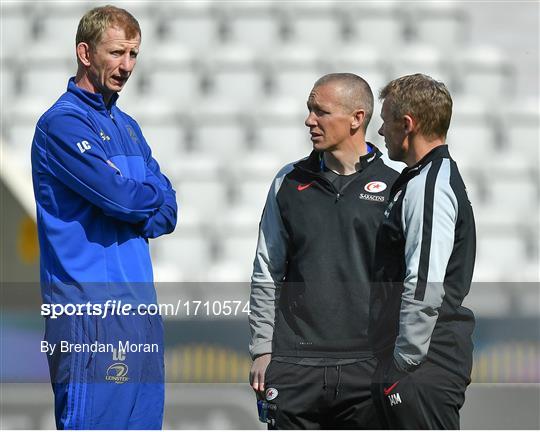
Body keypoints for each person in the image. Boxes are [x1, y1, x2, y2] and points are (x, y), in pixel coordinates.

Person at [31, 6, 177, 429]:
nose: (126, 66)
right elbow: (123, 200)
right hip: (90, 316)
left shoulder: (128, 125)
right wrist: (141, 201)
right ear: (84, 52)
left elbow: (168, 211)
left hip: (141, 315)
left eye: (133, 55)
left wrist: (140, 201)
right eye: (116, 53)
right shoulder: (61, 124)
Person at [249, 73, 399, 429]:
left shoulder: (397, 187)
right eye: (308, 110)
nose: (309, 120)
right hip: (295, 364)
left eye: (321, 111)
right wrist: (262, 349)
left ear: (357, 119)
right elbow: (266, 270)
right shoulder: (287, 181)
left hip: (370, 365)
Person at [369, 73, 476, 429]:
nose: (381, 132)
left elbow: (425, 280)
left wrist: (404, 361)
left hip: (423, 362)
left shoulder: (430, 184)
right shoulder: (421, 178)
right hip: (418, 361)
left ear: (407, 124)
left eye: (385, 122)